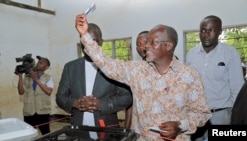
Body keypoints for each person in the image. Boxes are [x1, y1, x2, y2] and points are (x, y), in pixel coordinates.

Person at [75, 14, 211, 141]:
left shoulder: (188, 75)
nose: (146, 46)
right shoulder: (138, 70)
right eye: (147, 42)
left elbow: (202, 113)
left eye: (152, 42)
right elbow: (107, 63)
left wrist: (181, 125)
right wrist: (85, 35)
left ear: (168, 46)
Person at [56, 23, 133, 135]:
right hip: (79, 128)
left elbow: (127, 97)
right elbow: (60, 97)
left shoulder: (113, 66)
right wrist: (75, 103)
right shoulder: (70, 67)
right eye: (85, 40)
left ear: (101, 42)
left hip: (107, 128)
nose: (88, 45)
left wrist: (101, 104)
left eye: (94, 41)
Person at [186, 15, 245, 141]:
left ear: (219, 32)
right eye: (203, 30)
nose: (206, 34)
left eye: (211, 30)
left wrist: (237, 115)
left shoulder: (230, 53)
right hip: (196, 115)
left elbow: (237, 87)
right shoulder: (191, 54)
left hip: (221, 115)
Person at [16, 56, 53, 135]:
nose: (39, 63)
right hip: (29, 110)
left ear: (46, 67)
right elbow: (21, 92)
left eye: (42, 62)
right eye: (38, 62)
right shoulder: (27, 77)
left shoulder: (48, 78)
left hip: (43, 111)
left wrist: (36, 79)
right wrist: (20, 76)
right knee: (29, 134)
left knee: (46, 133)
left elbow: (49, 91)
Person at [124, 30, 149, 129]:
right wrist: (127, 129)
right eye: (138, 44)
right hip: (138, 127)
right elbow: (131, 102)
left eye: (145, 43)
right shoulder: (134, 70)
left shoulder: (163, 67)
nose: (142, 47)